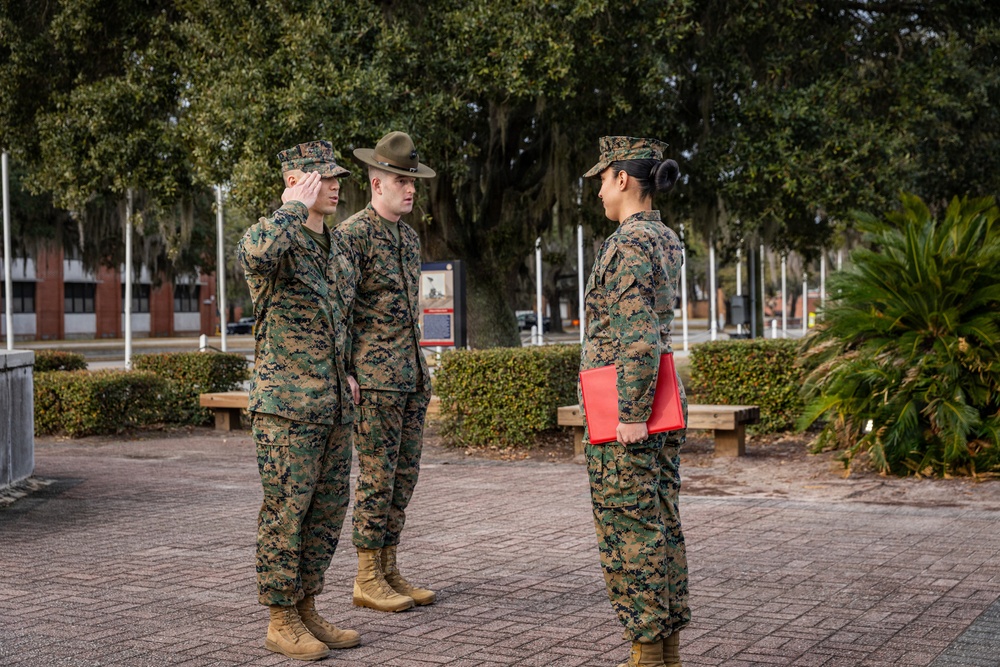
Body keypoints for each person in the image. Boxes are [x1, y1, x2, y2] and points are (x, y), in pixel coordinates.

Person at [238, 140, 361, 661]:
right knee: (287, 513)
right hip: (286, 408)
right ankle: (280, 617)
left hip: (332, 406)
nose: (334, 186)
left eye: (335, 178)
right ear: (295, 182)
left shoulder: (335, 247)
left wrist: (347, 371)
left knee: (327, 513)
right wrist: (290, 208)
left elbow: (340, 321)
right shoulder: (276, 238)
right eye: (323, 177)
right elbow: (254, 253)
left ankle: (307, 605)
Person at [580, 136, 688, 667]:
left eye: (603, 179)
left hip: (628, 410)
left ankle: (647, 652)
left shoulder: (627, 244)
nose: (600, 191)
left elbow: (638, 338)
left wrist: (630, 415)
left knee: (630, 531)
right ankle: (666, 650)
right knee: (661, 523)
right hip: (661, 402)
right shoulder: (667, 238)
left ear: (622, 178)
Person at [334, 131, 436, 613]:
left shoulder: (408, 238)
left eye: (413, 181)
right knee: (376, 478)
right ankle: (366, 576)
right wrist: (345, 370)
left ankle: (389, 566)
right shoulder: (352, 235)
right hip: (374, 381)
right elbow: (338, 308)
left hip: (410, 376)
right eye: (401, 181)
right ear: (377, 183)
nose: (410, 189)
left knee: (403, 477)